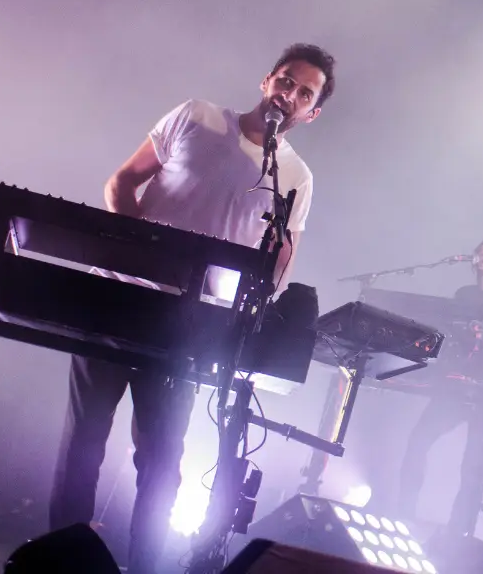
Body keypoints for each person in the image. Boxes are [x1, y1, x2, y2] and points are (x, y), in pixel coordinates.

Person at [49, 44, 336, 574]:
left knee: (162, 465)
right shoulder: (198, 116)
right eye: (285, 81)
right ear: (265, 80)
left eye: (304, 93)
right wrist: (135, 248)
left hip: (192, 325)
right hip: (119, 295)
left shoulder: (295, 177)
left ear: (311, 112)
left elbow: (281, 261)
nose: (289, 95)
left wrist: (255, 297)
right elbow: (122, 182)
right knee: (83, 442)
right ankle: (61, 565)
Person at [396, 233, 483, 537]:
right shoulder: (464, 294)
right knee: (418, 440)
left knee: (473, 467)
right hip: (454, 387)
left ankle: (459, 534)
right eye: (482, 246)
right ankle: (401, 514)